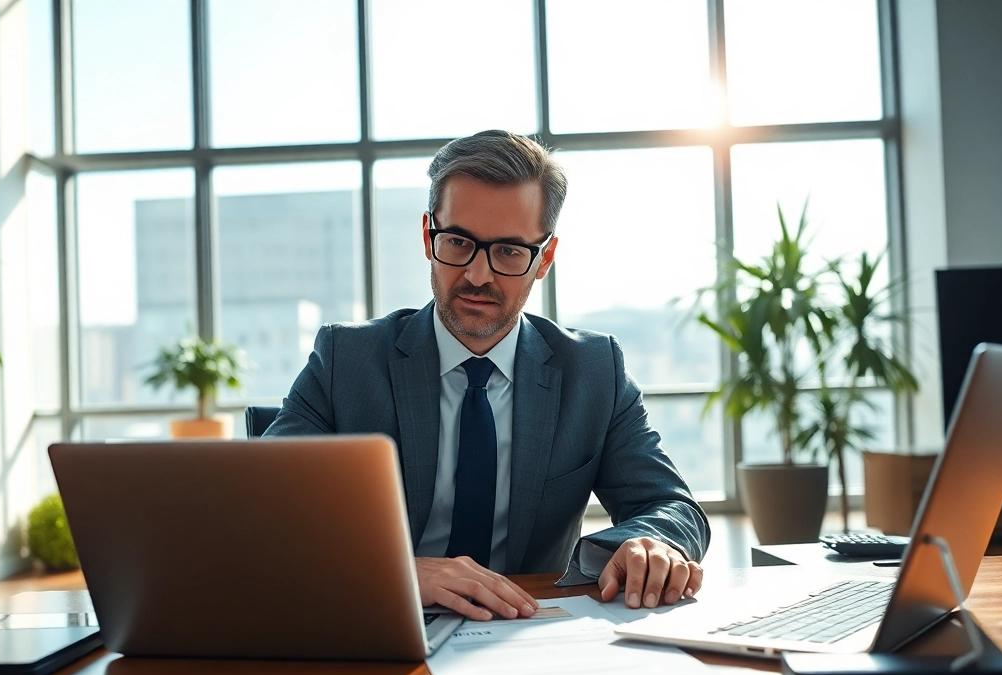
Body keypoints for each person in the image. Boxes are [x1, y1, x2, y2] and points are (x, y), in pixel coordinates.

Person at [266, 129, 709, 621]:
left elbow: (672, 507)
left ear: (543, 259)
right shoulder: (345, 359)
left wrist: (651, 543)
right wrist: (398, 571)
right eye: (458, 242)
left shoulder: (594, 371)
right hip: (374, 621)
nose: (479, 276)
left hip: (524, 631)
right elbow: (261, 514)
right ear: (427, 237)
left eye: (509, 251)